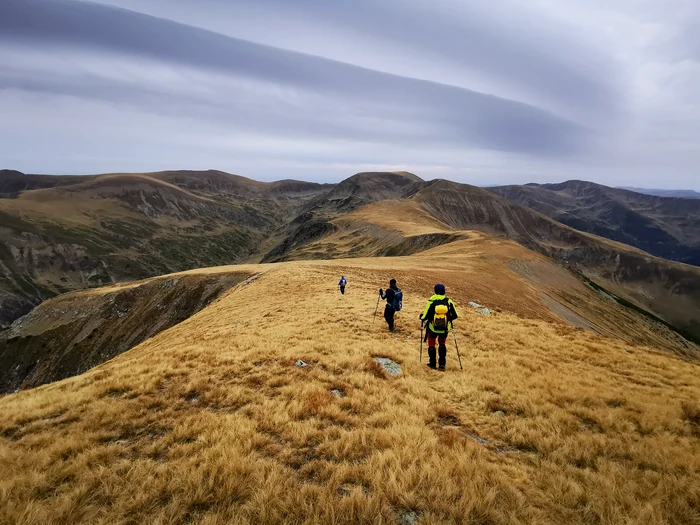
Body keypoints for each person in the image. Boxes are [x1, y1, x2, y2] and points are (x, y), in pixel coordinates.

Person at [420, 284, 459, 371]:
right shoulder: (449, 301)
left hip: (432, 328)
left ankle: (432, 364)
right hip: (444, 329)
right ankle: (442, 365)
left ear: (435, 291)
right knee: (442, 344)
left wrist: (421, 317)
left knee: (431, 344)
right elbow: (456, 315)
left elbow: (425, 316)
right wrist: (448, 320)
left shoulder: (431, 301)